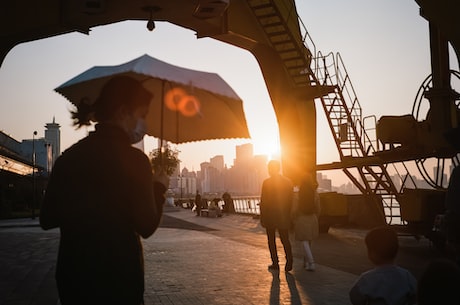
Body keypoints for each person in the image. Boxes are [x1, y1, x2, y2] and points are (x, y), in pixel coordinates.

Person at [39, 75, 168, 305]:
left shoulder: (68, 158)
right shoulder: (135, 161)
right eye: (142, 114)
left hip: (74, 281)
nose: (144, 124)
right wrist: (158, 187)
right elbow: (147, 226)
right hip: (119, 282)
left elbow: (47, 218)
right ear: (122, 112)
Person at [349, 226, 417, 305]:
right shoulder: (406, 275)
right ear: (396, 250)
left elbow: (355, 297)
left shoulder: (367, 279)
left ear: (372, 254)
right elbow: (416, 295)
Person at [259, 159, 294, 272]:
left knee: (271, 240)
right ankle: (289, 262)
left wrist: (262, 217)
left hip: (270, 217)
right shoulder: (288, 182)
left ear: (270, 169)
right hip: (283, 215)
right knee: (285, 239)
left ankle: (275, 263)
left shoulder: (267, 182)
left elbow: (263, 201)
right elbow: (291, 200)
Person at [293, 173, 320, 271]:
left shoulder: (298, 193)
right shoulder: (315, 193)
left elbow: (294, 208)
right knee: (309, 241)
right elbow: (318, 207)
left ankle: (311, 262)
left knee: (304, 241)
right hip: (312, 218)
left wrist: (293, 218)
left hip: (302, 218)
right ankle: (307, 262)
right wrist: (316, 216)